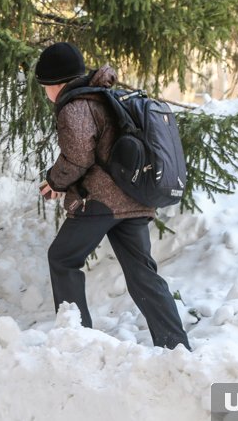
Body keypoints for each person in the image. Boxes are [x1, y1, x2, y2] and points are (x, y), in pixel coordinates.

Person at [35, 42, 190, 350]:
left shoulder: (75, 106)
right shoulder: (104, 97)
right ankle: (175, 346)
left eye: (45, 87)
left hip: (101, 201)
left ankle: (74, 339)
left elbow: (78, 155)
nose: (45, 93)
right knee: (141, 273)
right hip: (133, 199)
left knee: (62, 258)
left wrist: (55, 180)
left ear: (57, 84)